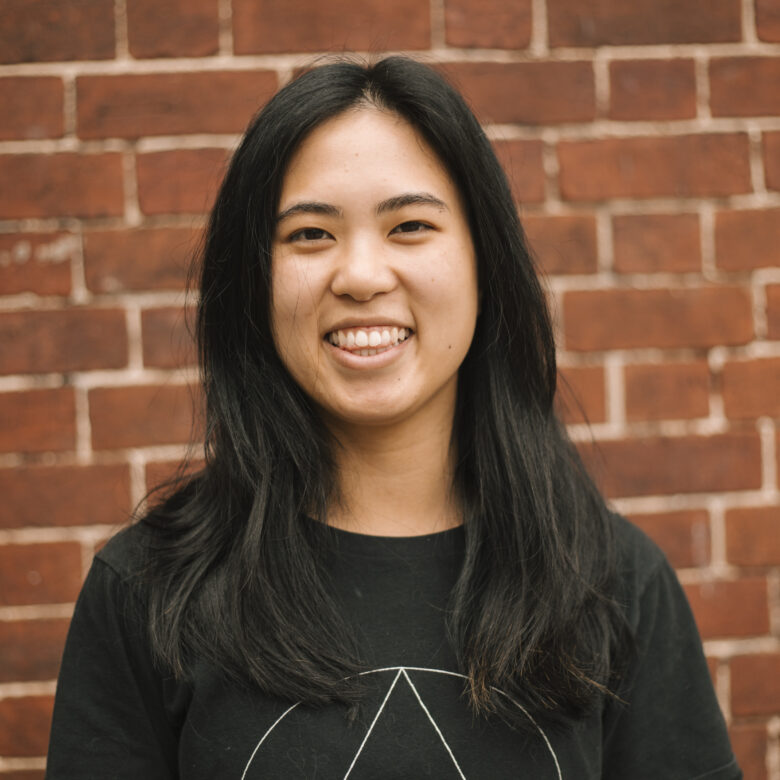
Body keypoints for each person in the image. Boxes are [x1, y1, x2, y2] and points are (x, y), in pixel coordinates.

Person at [46, 56, 741, 779]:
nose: (362, 277)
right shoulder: (147, 592)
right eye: (311, 235)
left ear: (484, 261)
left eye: (409, 225)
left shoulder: (614, 584)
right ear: (253, 281)